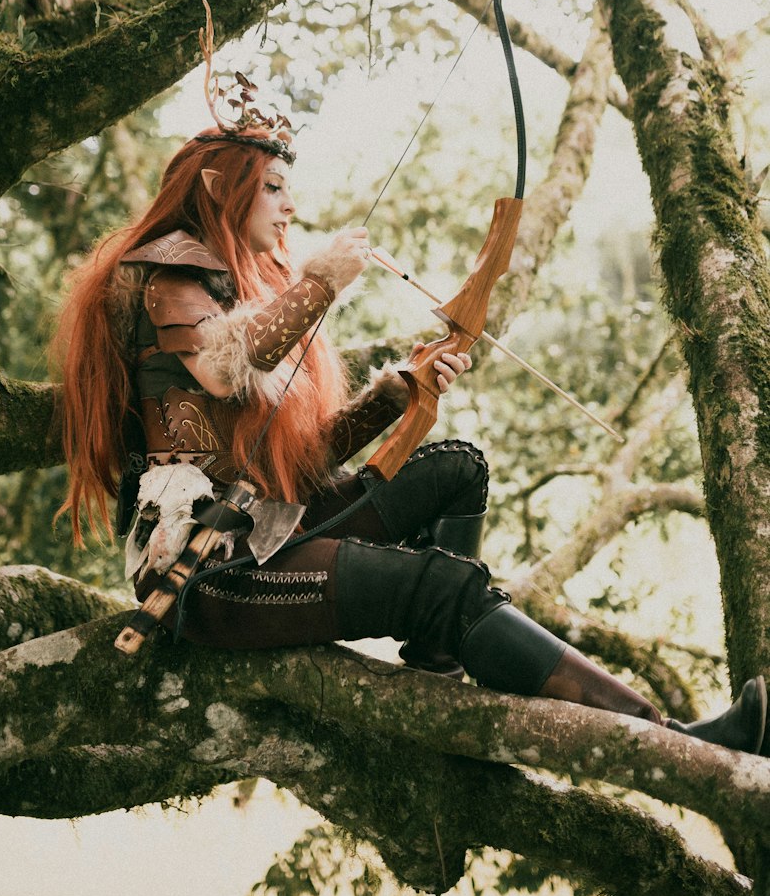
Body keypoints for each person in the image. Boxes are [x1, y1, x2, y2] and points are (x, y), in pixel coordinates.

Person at [53, 116, 767, 757]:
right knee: (444, 584)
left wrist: (393, 397)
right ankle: (664, 737)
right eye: (272, 187)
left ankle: (436, 671)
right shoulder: (169, 274)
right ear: (217, 188)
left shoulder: (230, 294)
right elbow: (218, 365)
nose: (290, 205)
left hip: (260, 526)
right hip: (205, 572)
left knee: (455, 469)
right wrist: (322, 281)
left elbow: (286, 465)